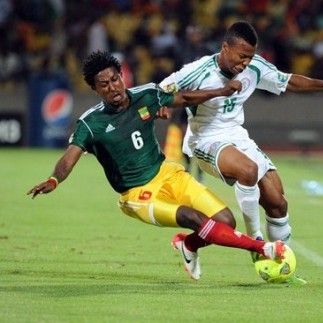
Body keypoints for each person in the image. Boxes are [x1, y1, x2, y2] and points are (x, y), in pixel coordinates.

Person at [27, 50, 286, 281]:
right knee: (191, 217)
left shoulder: (147, 95)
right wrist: (54, 180)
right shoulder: (90, 123)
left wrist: (220, 91)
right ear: (95, 89)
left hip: (168, 173)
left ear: (122, 75)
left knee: (225, 221)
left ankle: (189, 246)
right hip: (137, 195)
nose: (112, 87)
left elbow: (183, 98)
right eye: (103, 85)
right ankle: (262, 248)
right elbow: (70, 157)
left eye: (115, 79)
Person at [160, 21, 323, 283]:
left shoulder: (255, 67)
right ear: (225, 48)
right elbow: (164, 89)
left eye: (250, 56)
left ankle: (283, 269)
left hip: (237, 136)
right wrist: (162, 106)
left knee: (277, 202)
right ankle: (256, 244)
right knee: (248, 171)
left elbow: (289, 82)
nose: (246, 62)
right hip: (205, 140)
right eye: (242, 56)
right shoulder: (199, 70)